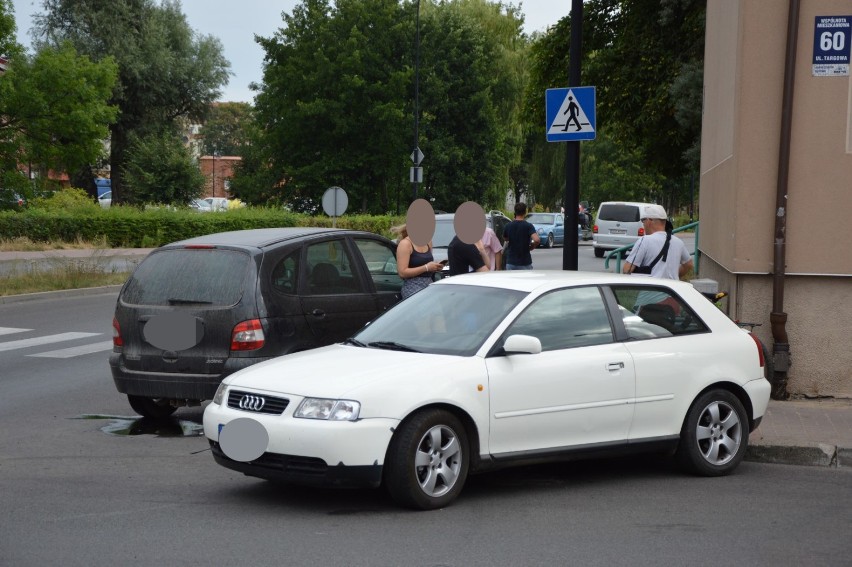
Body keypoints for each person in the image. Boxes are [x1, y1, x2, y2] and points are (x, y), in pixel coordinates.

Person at [622, 204, 693, 279]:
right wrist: (674, 275)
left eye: (643, 221)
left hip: (650, 289)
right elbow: (689, 264)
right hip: (671, 288)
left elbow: (627, 269)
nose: (643, 224)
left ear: (649, 221)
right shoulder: (678, 242)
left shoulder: (644, 240)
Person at [393, 224, 443, 299]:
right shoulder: (405, 244)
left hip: (429, 285)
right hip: (412, 287)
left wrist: (435, 266)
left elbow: (427, 262)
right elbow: (402, 272)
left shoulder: (428, 241)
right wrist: (426, 268)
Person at [502, 202, 540, 270]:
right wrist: (532, 246)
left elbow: (505, 238)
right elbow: (536, 239)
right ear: (525, 212)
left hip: (511, 261)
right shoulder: (528, 226)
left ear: (515, 212)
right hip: (525, 261)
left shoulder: (508, 226)